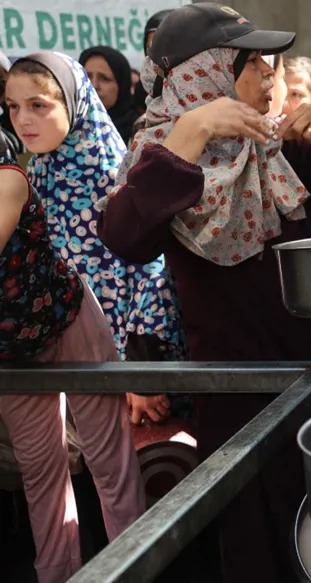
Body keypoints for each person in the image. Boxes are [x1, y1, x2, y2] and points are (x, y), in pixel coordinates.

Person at [95, 3, 311, 580]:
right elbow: (126, 236)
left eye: (271, 65)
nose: (270, 78)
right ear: (205, 74)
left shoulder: (277, 144)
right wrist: (191, 135)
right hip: (232, 394)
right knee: (253, 546)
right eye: (253, 65)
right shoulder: (158, 155)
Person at [5, 52, 184, 424]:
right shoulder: (37, 170)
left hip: (126, 376)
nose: (22, 119)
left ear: (74, 102)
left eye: (38, 105)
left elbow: (152, 273)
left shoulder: (111, 173)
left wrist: (140, 374)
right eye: (12, 106)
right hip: (60, 361)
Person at [0, 155, 144, 583]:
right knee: (41, 476)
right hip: (11, 352)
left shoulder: (7, 181)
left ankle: (137, 566)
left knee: (109, 464)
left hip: (69, 322)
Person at [79, 46, 139, 144]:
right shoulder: (68, 129)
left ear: (122, 86)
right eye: (87, 77)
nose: (94, 85)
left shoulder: (139, 131)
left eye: (104, 78)